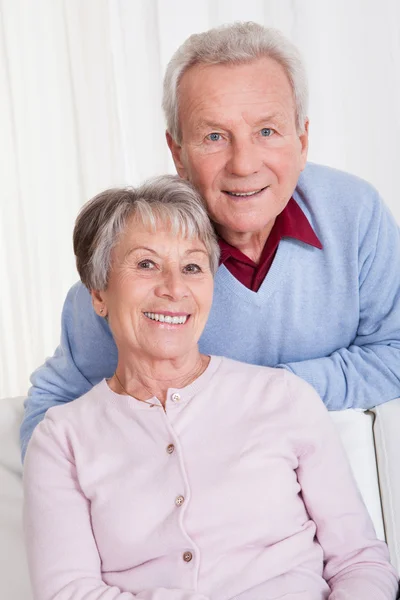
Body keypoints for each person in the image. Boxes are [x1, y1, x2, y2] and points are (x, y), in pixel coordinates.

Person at [20, 22, 400, 458]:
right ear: (178, 153)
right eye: (214, 137)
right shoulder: (138, 251)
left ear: (303, 140)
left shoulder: (355, 214)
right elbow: (53, 405)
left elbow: (395, 351)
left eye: (267, 131)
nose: (243, 164)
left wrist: (262, 394)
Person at [23, 176, 398, 600]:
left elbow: (361, 562)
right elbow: (68, 592)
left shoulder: (284, 398)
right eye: (146, 264)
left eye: (193, 267)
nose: (174, 288)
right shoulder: (60, 439)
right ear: (98, 294)